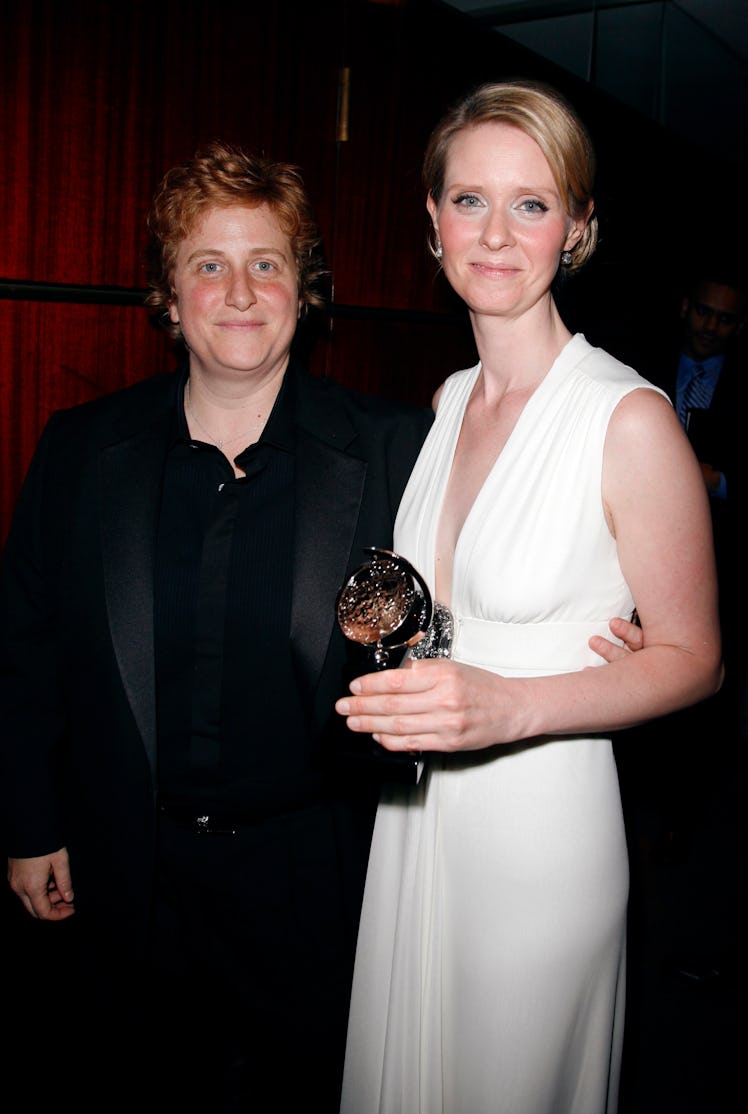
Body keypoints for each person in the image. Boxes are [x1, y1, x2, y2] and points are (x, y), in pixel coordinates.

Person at [0, 141, 435, 1112]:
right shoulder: (79, 452)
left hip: (313, 880)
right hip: (126, 870)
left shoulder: (394, 448)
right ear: (168, 292)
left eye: (266, 262)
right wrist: (29, 824)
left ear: (304, 286)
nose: (239, 291)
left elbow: (451, 632)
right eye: (209, 263)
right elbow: (23, 652)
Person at [335, 80, 722, 1114]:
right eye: (469, 201)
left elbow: (695, 659)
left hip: (541, 828)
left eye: (532, 203)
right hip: (414, 816)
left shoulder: (627, 416)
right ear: (431, 221)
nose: (496, 234)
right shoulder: (447, 397)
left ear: (578, 227)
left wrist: (512, 704)